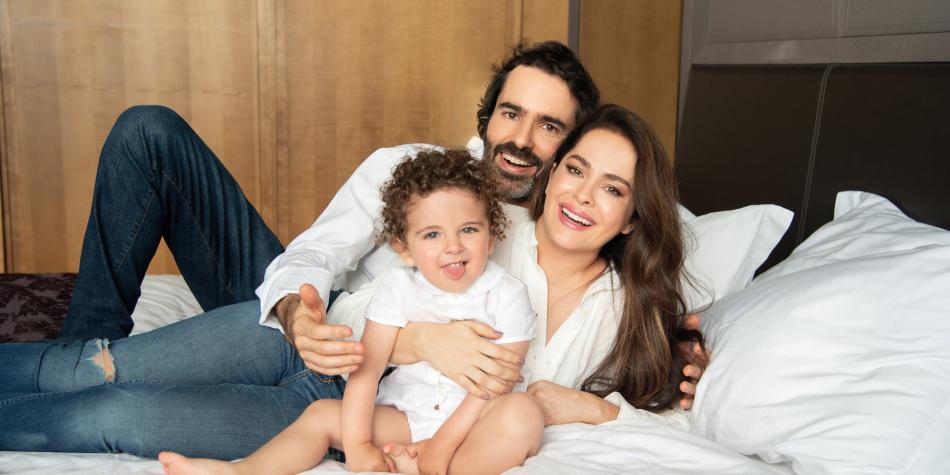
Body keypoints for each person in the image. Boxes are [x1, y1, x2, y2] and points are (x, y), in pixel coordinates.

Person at [0, 41, 703, 460]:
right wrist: (308, 315)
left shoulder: (551, 230)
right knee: (91, 364)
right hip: (315, 325)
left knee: (113, 413)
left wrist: (689, 345)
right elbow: (316, 259)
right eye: (511, 113)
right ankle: (81, 354)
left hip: (353, 395)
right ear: (487, 117)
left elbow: (649, 226)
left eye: (550, 128)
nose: (522, 139)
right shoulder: (416, 172)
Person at [159, 149, 541, 475]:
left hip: (474, 423)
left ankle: (439, 465)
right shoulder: (398, 287)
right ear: (404, 248)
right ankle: (243, 471)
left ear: (493, 236)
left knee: (523, 414)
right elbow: (367, 371)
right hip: (407, 418)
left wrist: (441, 445)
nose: (453, 247)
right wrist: (358, 446)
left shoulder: (508, 295)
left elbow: (494, 385)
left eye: (469, 230)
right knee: (322, 414)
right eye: (432, 234)